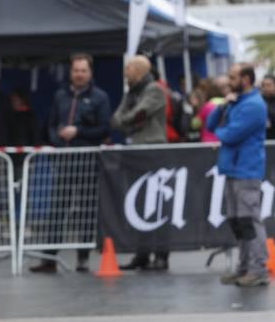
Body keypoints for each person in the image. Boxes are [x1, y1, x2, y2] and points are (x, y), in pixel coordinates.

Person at [29, 54, 113, 274]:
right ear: (70, 72)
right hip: (64, 161)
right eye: (76, 70)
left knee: (85, 210)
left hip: (87, 161)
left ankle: (83, 257)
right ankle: (50, 257)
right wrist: (57, 139)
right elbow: (52, 123)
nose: (79, 74)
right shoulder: (60, 96)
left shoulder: (100, 98)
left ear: (90, 73)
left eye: (83, 71)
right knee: (57, 210)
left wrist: (79, 132)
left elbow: (105, 129)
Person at [210, 63, 270, 287]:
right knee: (237, 221)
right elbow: (211, 124)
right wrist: (222, 107)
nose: (228, 80)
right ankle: (244, 267)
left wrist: (220, 134)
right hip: (232, 168)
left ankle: (258, 269)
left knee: (249, 220)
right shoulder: (237, 102)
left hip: (247, 169)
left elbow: (232, 134)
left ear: (246, 79)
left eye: (233, 77)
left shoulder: (253, 105)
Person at [111, 55, 171, 271]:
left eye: (128, 68)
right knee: (140, 203)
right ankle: (142, 253)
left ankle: (162, 254)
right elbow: (117, 120)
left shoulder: (153, 90)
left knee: (157, 203)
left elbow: (136, 116)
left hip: (153, 152)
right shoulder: (131, 93)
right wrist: (129, 118)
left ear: (139, 71)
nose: (125, 73)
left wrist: (129, 119)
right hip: (137, 152)